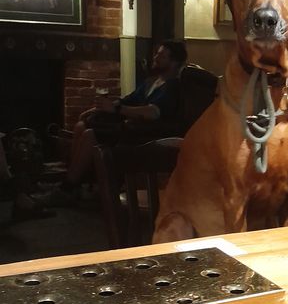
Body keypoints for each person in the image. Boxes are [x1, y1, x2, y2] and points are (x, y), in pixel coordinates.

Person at [50, 40, 186, 201]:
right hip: (129, 127)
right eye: (156, 53)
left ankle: (68, 188)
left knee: (90, 135)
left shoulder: (173, 86)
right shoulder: (152, 82)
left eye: (161, 56)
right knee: (81, 124)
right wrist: (103, 107)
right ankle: (74, 180)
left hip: (142, 134)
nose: (155, 57)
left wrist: (117, 110)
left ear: (174, 62)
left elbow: (153, 112)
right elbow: (128, 100)